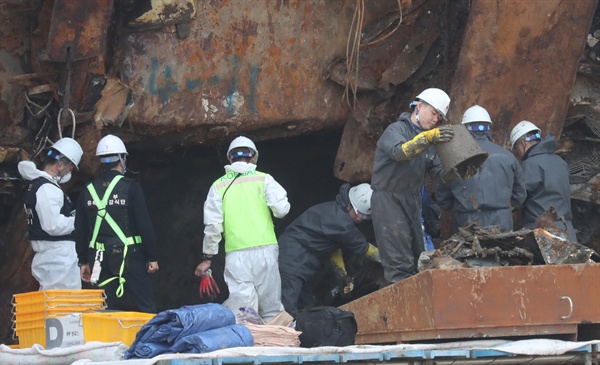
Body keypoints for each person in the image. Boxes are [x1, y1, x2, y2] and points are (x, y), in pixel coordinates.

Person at [195, 136, 290, 322]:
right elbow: (281, 211)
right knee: (271, 309)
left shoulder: (218, 186)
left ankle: (246, 346)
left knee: (244, 311)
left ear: (230, 159)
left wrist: (208, 258)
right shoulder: (264, 179)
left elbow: (213, 226)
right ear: (254, 158)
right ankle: (276, 345)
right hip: (266, 252)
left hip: (236, 256)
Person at [371, 88, 454, 284]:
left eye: (439, 117)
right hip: (388, 199)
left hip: (412, 201)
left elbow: (438, 171)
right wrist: (428, 138)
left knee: (418, 256)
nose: (435, 120)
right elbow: (401, 152)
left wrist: (460, 169)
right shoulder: (396, 130)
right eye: (433, 113)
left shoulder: (430, 141)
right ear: (419, 106)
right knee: (399, 261)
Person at [75, 134, 159, 313]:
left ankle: (100, 341)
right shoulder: (131, 187)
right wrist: (152, 257)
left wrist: (83, 261)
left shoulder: (87, 191)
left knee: (101, 308)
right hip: (130, 258)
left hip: (98, 259)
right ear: (122, 159)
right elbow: (144, 224)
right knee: (146, 307)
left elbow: (80, 229)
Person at [278, 183, 381, 315]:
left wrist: (341, 273)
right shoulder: (341, 222)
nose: (360, 218)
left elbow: (333, 245)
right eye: (358, 212)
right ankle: (280, 334)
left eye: (364, 216)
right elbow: (364, 248)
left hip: (296, 260)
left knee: (307, 307)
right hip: (293, 260)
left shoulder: (332, 210)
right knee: (287, 310)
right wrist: (390, 261)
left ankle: (304, 332)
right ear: (350, 204)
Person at [436, 105, 526, 232]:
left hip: (466, 222)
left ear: (464, 130)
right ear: (488, 128)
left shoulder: (454, 159)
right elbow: (520, 195)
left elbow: (443, 199)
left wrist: (459, 208)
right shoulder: (508, 157)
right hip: (501, 221)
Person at [19, 137, 83, 290]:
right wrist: (79, 220)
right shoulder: (48, 189)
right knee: (64, 308)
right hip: (58, 258)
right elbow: (53, 225)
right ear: (60, 164)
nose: (69, 172)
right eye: (70, 168)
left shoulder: (37, 184)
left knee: (54, 305)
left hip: (53, 256)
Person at [510, 121, 576, 241]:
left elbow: (519, 195)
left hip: (544, 232)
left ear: (521, 144)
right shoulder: (560, 161)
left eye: (516, 150)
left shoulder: (529, 165)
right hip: (567, 229)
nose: (518, 155)